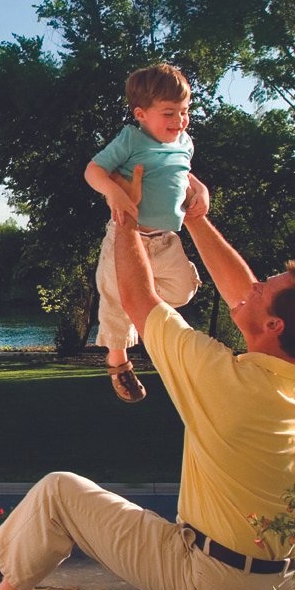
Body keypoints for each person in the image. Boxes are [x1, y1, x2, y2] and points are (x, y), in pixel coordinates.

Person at [0, 171, 295, 590]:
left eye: (263, 289)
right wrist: (196, 217)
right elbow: (245, 299)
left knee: (59, 492)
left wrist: (126, 217)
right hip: (278, 588)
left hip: (213, 586)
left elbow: (140, 298)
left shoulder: (224, 381)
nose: (252, 286)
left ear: (275, 326)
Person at [84, 62, 201, 402]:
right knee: (115, 296)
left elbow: (186, 174)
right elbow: (93, 170)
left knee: (183, 289)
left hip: (165, 240)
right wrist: (114, 192)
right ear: (141, 113)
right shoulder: (130, 140)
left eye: (184, 112)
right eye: (169, 113)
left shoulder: (184, 143)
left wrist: (201, 192)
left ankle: (141, 309)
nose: (179, 121)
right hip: (126, 235)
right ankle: (118, 361)